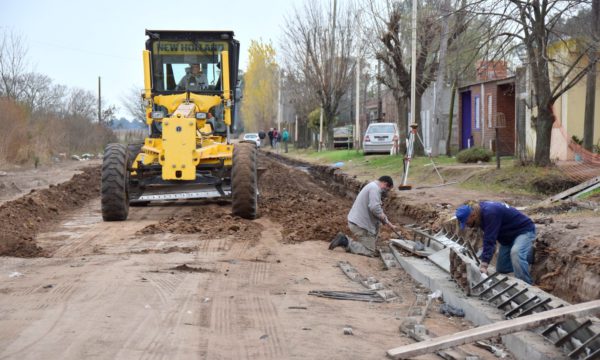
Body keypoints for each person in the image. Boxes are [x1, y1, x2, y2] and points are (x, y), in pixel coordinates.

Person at [455, 201, 536, 284]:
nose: (467, 225)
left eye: (466, 222)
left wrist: (484, 264)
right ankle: (526, 257)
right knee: (502, 268)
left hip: (523, 231)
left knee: (516, 253)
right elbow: (488, 237)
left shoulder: (490, 213)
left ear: (473, 215)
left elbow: (490, 239)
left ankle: (526, 284)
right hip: (507, 237)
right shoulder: (479, 213)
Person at [329, 176, 397, 257]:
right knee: (370, 251)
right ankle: (344, 241)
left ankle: (368, 243)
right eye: (387, 189)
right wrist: (385, 219)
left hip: (356, 222)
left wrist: (388, 223)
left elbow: (376, 209)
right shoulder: (375, 189)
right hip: (360, 226)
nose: (386, 191)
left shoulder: (371, 186)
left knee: (376, 227)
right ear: (385, 184)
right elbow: (375, 208)